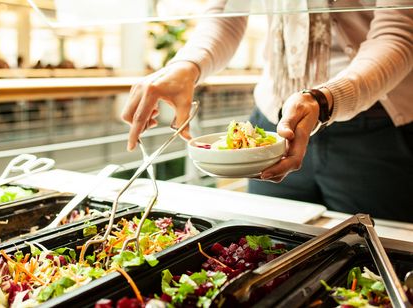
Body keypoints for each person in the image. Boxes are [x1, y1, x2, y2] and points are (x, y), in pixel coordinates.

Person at [121, 1, 413, 222]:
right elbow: (225, 15)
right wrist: (186, 65)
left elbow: (398, 34)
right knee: (269, 251)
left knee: (374, 267)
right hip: (274, 125)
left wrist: (323, 100)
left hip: (375, 129)